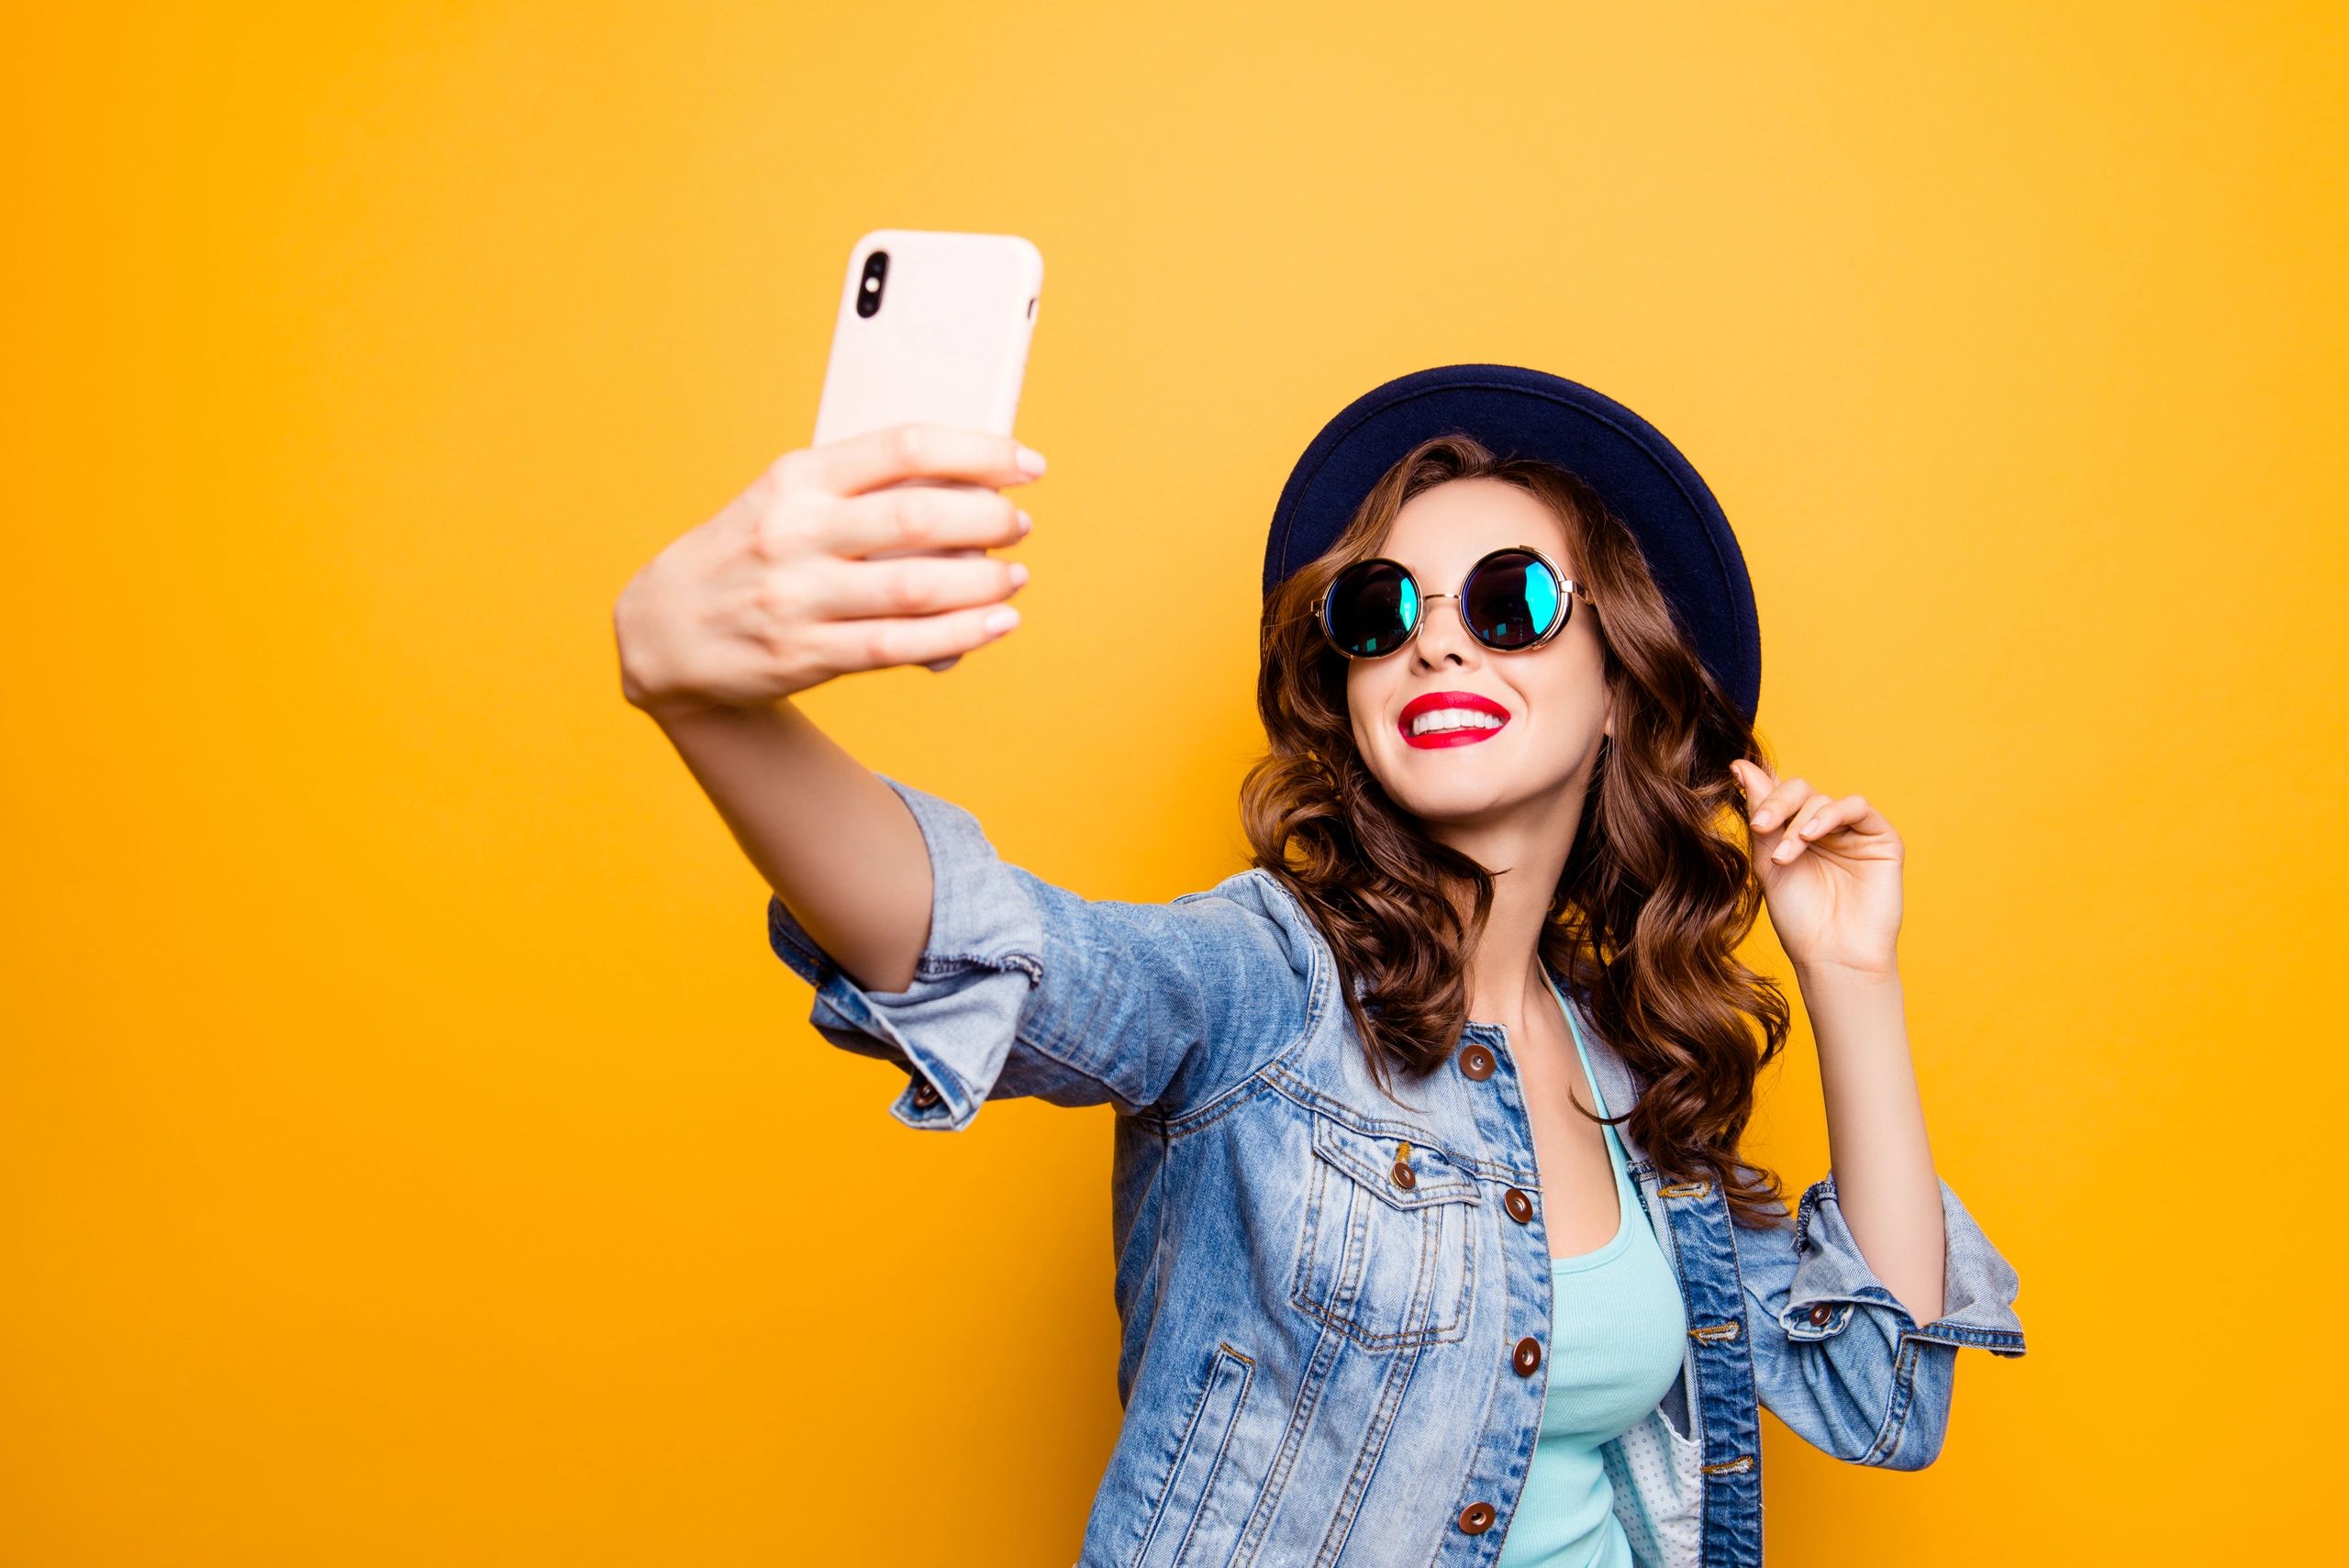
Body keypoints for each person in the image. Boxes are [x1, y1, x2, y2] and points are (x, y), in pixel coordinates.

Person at [611, 364, 2028, 1568]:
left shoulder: (1627, 1065)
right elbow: (993, 948)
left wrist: (1851, 972)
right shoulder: (1266, 983)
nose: (1433, 640)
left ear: (1619, 687)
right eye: (1377, 611)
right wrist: (711, 702)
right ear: (1344, 693)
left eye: (1509, 599)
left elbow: (1880, 1390)